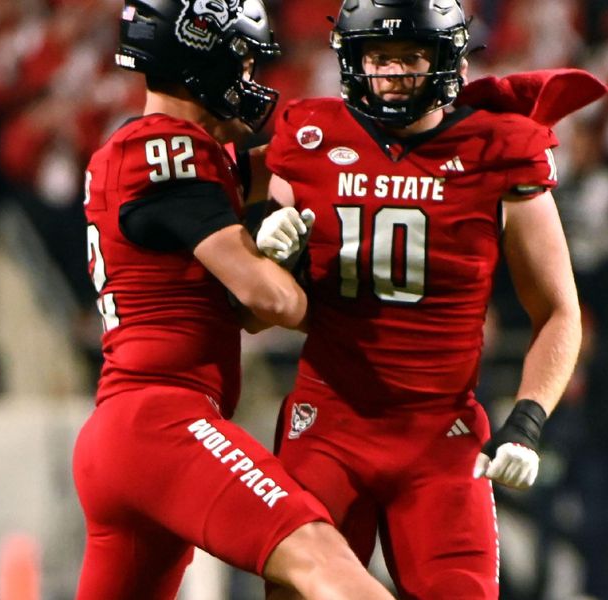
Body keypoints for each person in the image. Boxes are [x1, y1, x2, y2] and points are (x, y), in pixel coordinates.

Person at [254, 0, 608, 597]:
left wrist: (527, 419)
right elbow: (263, 296)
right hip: (329, 423)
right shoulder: (311, 135)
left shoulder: (500, 148)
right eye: (378, 57)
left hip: (439, 435)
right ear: (352, 61)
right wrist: (264, 231)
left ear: (445, 62)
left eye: (410, 57)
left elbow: (558, 311)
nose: (393, 73)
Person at [72, 1, 396, 599]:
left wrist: (355, 137)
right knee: (321, 558)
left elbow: (275, 164)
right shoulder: (167, 150)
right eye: (242, 62)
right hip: (164, 421)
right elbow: (265, 300)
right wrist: (315, 289)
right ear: (202, 56)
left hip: (124, 429)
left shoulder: (147, 150)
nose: (250, 80)